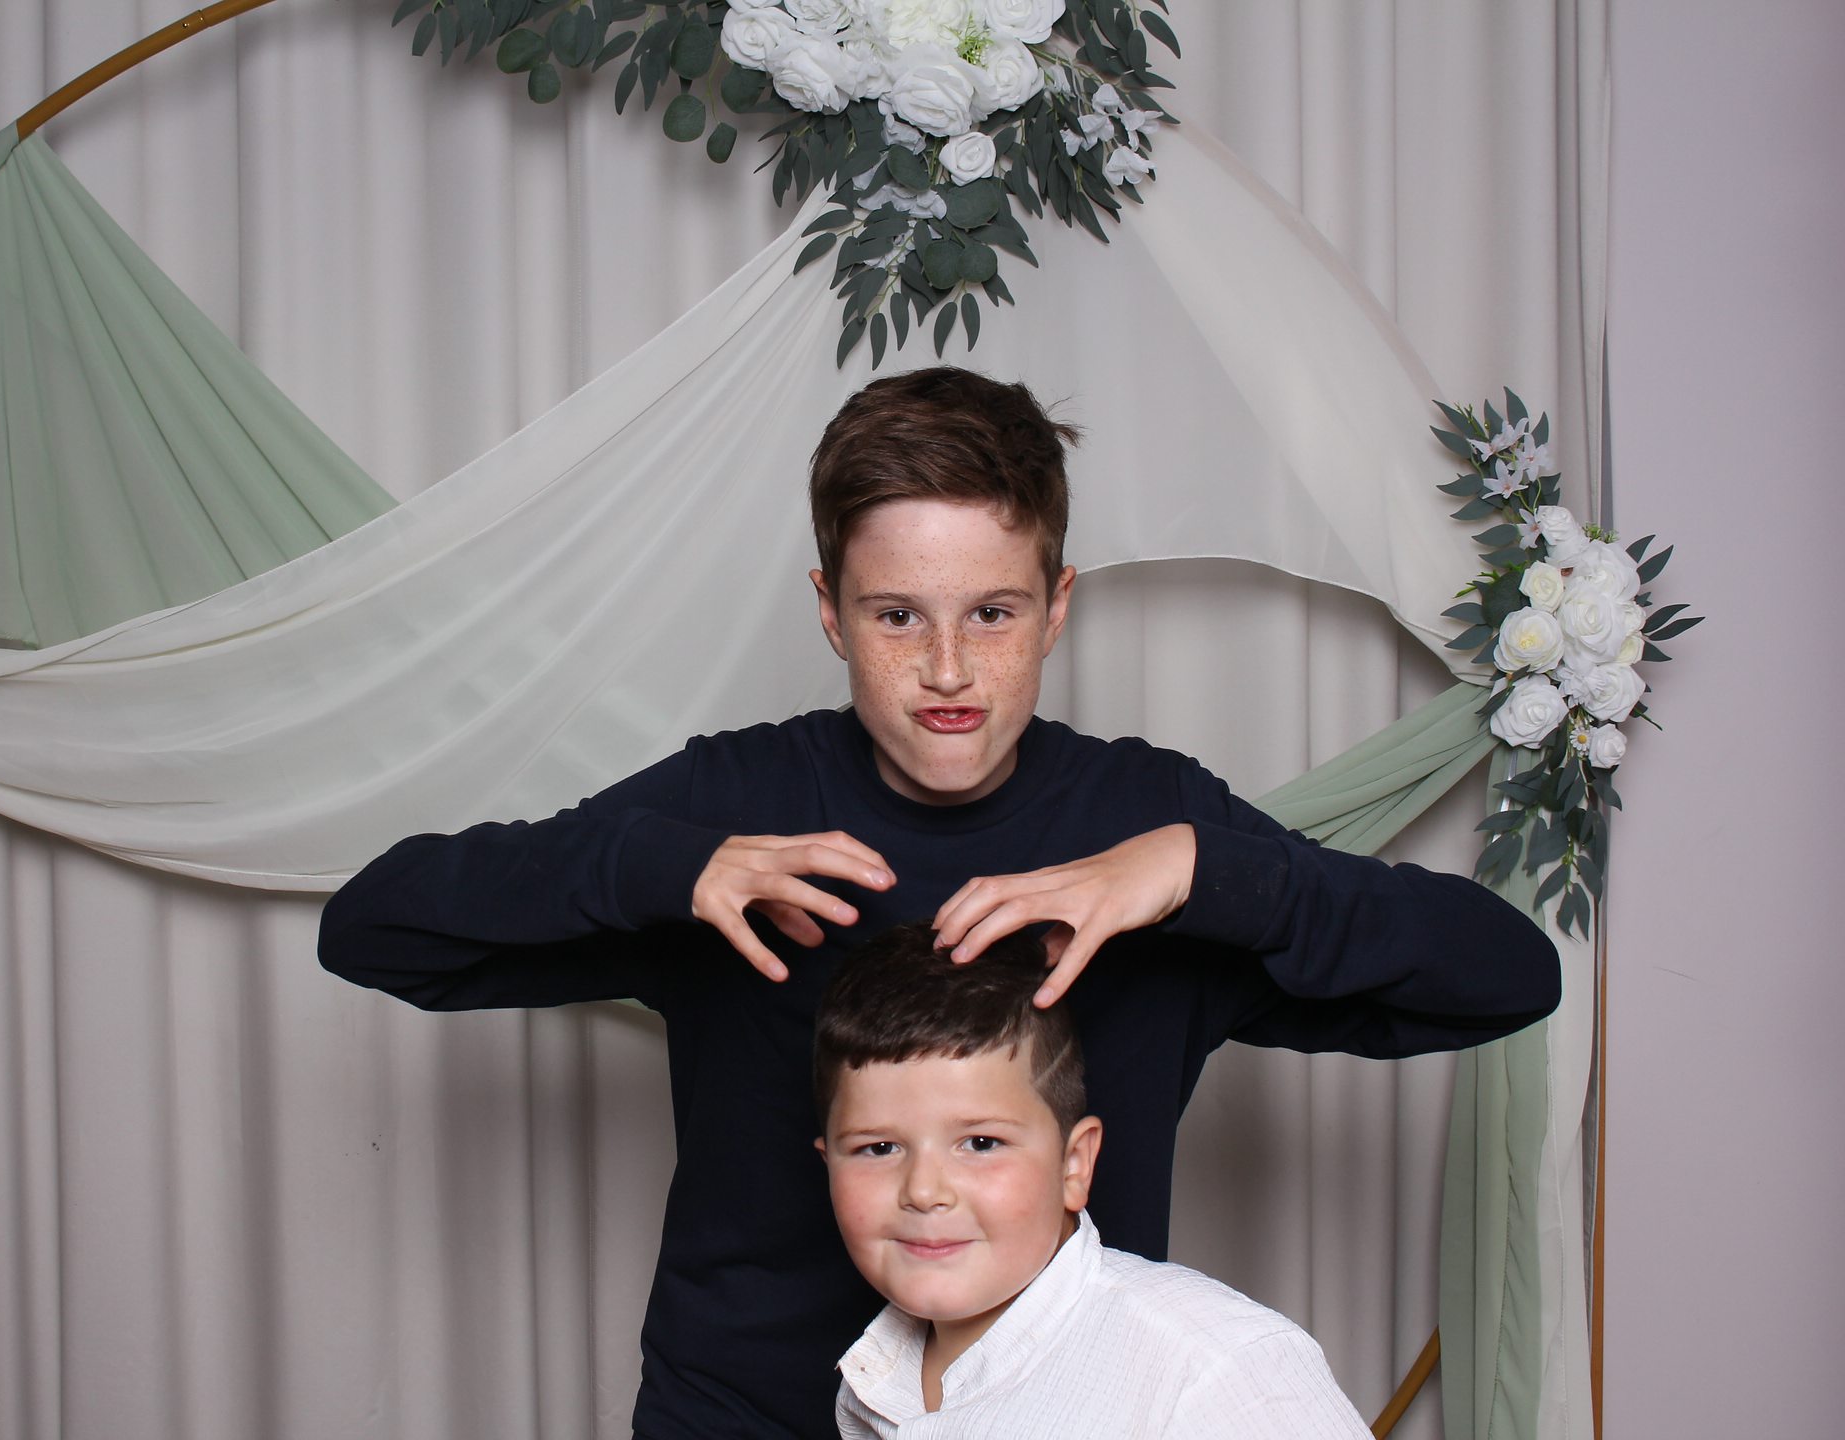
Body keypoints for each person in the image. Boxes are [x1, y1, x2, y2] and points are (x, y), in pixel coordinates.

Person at [319, 366, 1559, 1439]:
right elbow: (376, 927)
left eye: (994, 614)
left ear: (1057, 608)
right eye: (898, 616)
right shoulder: (732, 803)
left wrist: (1202, 870)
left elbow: (1507, 976)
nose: (950, 670)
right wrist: (663, 870)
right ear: (829, 612)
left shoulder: (1148, 823)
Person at [816, 921, 1373, 1438]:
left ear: (1074, 1164)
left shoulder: (1212, 1370)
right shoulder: (874, 1379)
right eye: (878, 1148)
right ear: (829, 1167)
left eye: (981, 1143)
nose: (923, 1191)